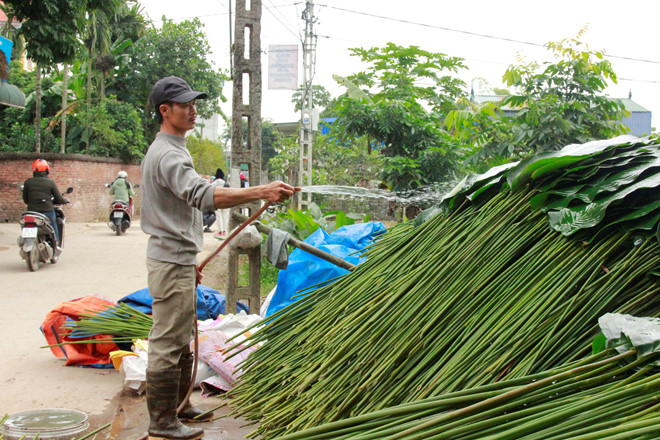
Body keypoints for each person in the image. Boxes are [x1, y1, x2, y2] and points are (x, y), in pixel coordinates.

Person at [141, 76, 294, 440]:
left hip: (178, 258)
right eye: (185, 105)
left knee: (182, 334)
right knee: (168, 339)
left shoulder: (175, 148)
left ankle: (179, 407)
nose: (193, 111)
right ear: (165, 110)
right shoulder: (166, 153)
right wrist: (262, 191)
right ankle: (162, 422)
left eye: (195, 104)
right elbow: (202, 196)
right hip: (170, 259)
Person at [22, 159, 69, 247]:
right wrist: (65, 200)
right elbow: (58, 198)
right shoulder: (50, 182)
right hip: (47, 211)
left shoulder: (28, 182)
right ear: (46, 170)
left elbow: (25, 199)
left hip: (32, 212)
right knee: (53, 221)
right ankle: (56, 242)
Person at [211, 168, 230, 236]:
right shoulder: (226, 184)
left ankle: (220, 231)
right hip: (226, 201)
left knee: (219, 216)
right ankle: (225, 230)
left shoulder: (213, 183)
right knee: (225, 216)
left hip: (217, 201)